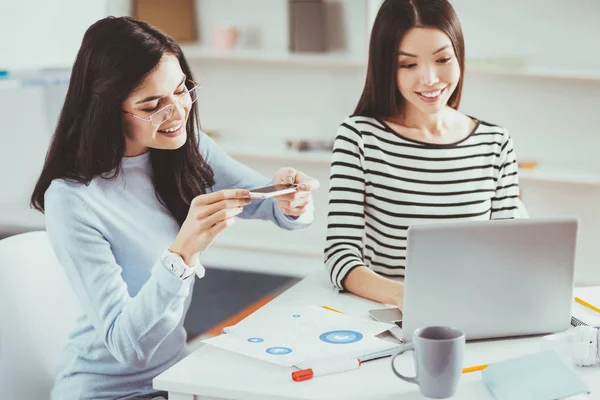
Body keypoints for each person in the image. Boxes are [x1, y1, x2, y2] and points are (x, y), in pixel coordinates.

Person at [30, 16, 319, 400]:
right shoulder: (73, 200)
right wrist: (182, 252)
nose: (178, 112)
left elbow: (268, 206)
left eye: (182, 90)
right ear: (107, 109)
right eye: (153, 105)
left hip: (177, 377)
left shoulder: (184, 145)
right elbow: (128, 347)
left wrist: (290, 199)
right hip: (108, 392)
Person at [324, 0, 525, 309]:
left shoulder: (495, 142)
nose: (430, 79)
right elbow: (340, 255)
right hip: (392, 309)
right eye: (408, 64)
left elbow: (509, 254)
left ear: (458, 55)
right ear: (386, 67)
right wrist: (406, 298)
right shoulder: (360, 137)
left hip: (477, 306)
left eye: (442, 59)